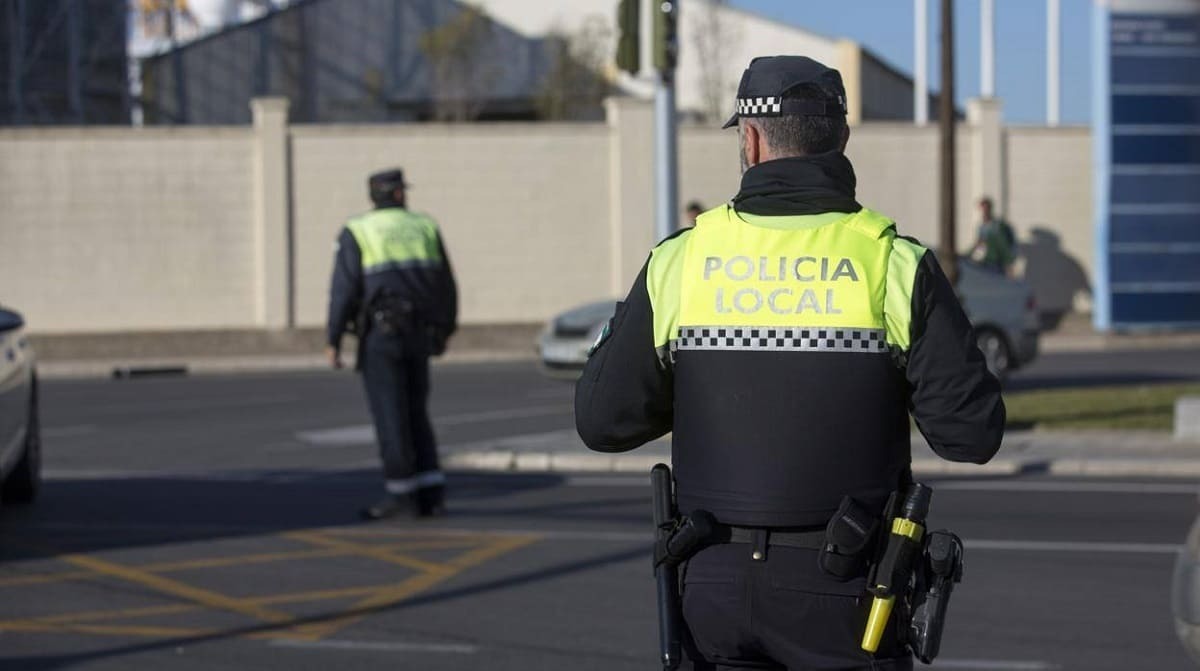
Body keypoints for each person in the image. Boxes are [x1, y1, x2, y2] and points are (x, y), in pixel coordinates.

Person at [575, 56, 1004, 670]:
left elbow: (602, 421)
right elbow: (971, 435)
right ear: (842, 139)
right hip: (850, 589)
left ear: (749, 140)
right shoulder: (895, 263)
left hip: (710, 586)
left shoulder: (682, 259)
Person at [326, 168, 457, 520]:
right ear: (399, 194)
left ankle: (403, 496)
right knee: (417, 413)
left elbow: (344, 289)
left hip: (380, 337)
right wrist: (443, 331)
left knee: (390, 416)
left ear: (374, 196)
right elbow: (445, 284)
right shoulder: (424, 226)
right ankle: (432, 493)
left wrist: (333, 338)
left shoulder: (358, 230)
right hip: (419, 334)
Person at [971, 196, 1016, 274]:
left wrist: (1009, 263)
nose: (984, 212)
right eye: (982, 210)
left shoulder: (998, 226)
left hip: (998, 263)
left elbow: (1005, 244)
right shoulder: (982, 227)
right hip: (985, 262)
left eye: (986, 209)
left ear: (990, 209)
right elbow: (979, 244)